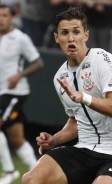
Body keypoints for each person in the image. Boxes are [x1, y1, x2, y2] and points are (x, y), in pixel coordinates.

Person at [22, 7, 112, 184]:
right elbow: (76, 121)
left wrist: (84, 97)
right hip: (83, 150)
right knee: (31, 180)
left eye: (76, 32)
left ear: (86, 35)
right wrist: (54, 140)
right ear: (56, 38)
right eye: (64, 33)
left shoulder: (102, 59)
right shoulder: (60, 76)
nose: (71, 38)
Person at [0, 4, 44, 184]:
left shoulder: (20, 38)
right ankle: (39, 173)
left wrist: (20, 74)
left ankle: (9, 171)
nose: (1, 19)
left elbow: (38, 63)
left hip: (14, 92)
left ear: (12, 18)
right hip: (1, 92)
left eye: (4, 15)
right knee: (16, 138)